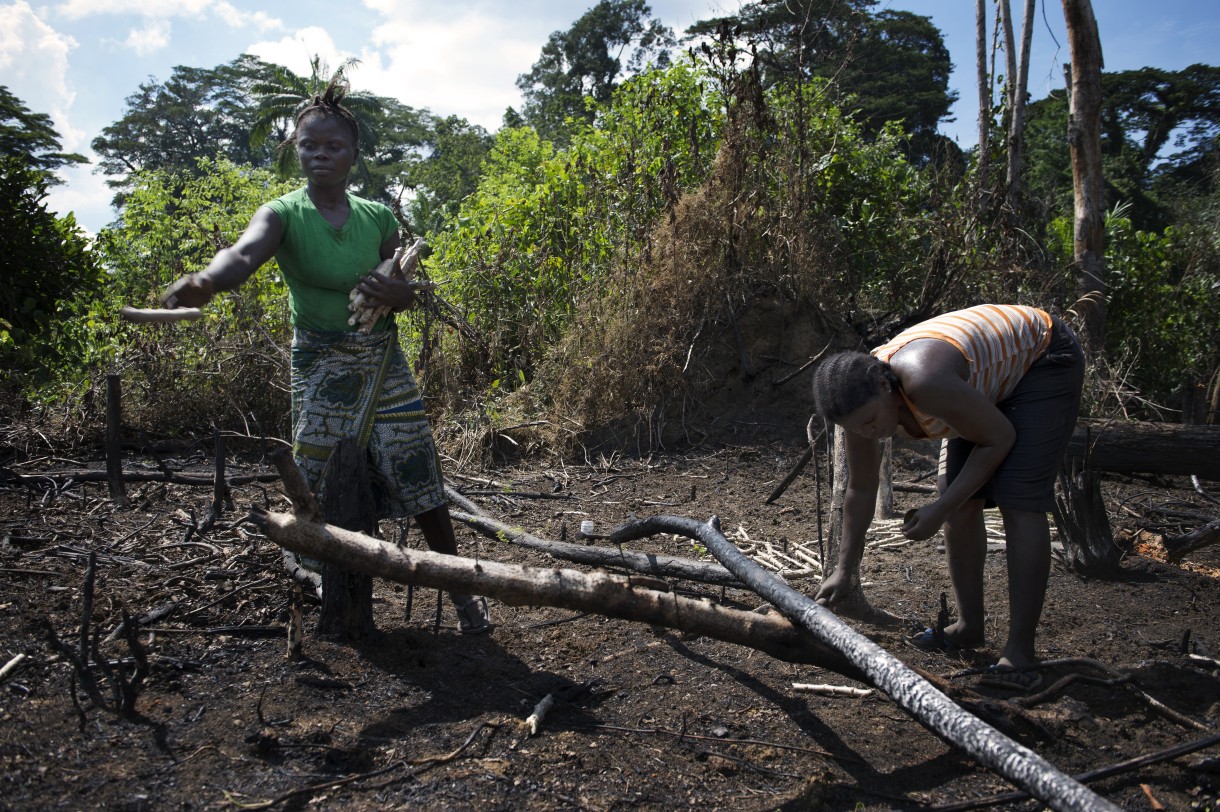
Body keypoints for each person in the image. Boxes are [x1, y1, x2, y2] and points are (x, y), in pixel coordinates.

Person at [162, 79, 492, 634]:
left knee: (417, 467)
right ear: (296, 149)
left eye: (332, 146)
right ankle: (312, 581)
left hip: (380, 358)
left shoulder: (377, 218)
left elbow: (409, 285)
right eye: (309, 145)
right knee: (314, 473)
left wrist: (402, 296)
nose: (320, 154)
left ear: (353, 155)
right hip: (318, 362)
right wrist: (205, 281)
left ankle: (459, 589)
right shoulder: (283, 214)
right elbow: (242, 254)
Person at [811, 304, 1084, 689]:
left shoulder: (924, 383)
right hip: (987, 379)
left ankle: (1020, 655)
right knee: (957, 498)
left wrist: (939, 510)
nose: (870, 433)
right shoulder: (858, 408)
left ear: (886, 386)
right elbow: (860, 488)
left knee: (1019, 500)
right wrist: (844, 570)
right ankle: (968, 627)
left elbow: (999, 438)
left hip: (1042, 358)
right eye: (859, 429)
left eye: (872, 421)